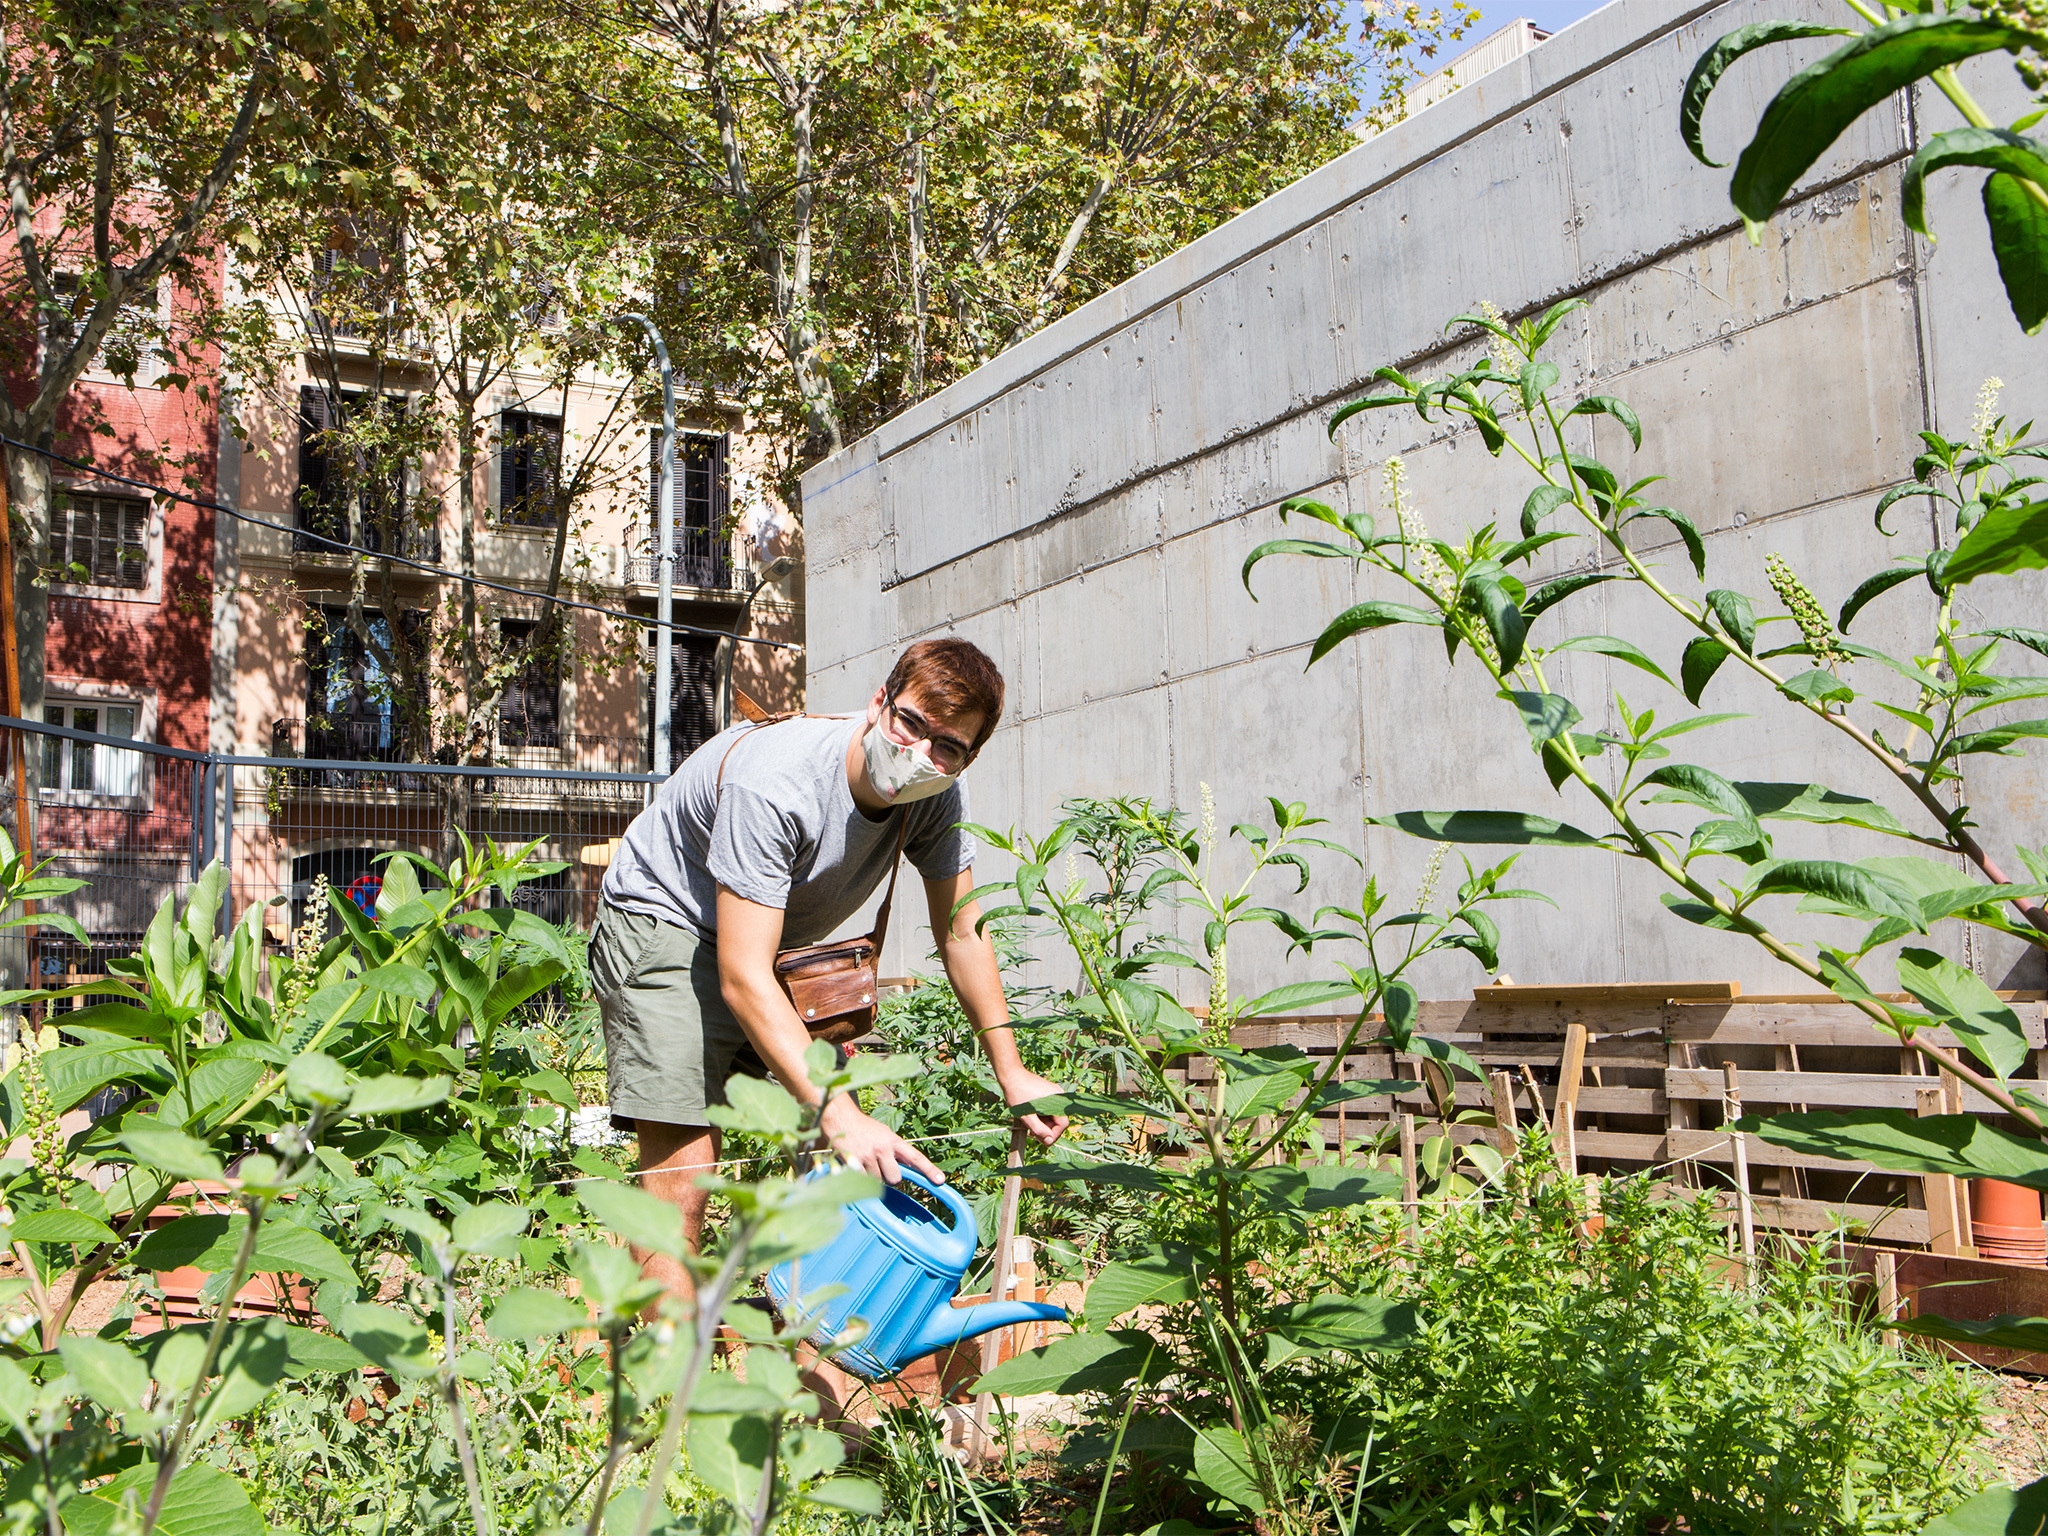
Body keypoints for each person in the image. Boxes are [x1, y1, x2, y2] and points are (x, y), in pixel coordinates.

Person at [589, 636, 1069, 1304]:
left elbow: (962, 930)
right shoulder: (778, 783)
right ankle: (672, 1374)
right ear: (879, 703)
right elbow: (742, 975)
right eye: (910, 723)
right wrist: (841, 1113)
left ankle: (768, 1345)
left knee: (790, 1140)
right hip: (664, 920)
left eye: (947, 746)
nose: (920, 753)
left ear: (967, 758)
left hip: (752, 941)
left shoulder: (932, 798)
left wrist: (1011, 1070)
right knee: (688, 1156)